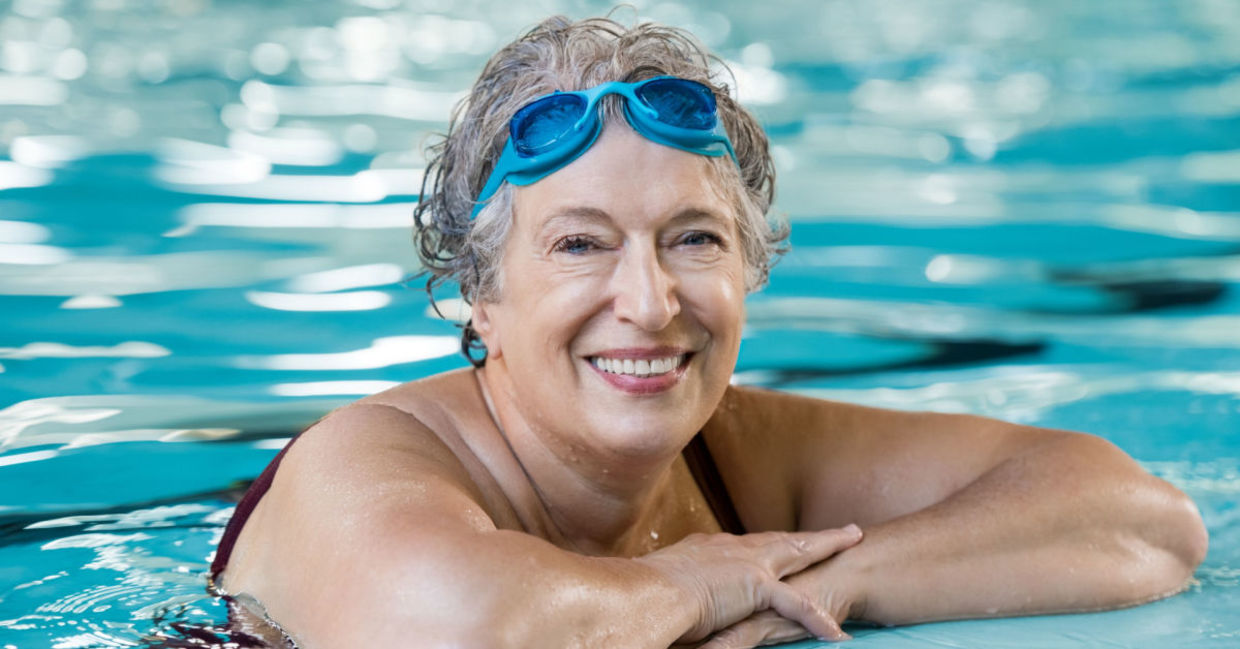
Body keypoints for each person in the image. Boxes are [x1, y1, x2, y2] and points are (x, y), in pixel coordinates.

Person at [208, 14, 1208, 649]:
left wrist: (828, 582)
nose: (649, 303)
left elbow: (1141, 523)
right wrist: (689, 581)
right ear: (481, 294)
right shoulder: (365, 461)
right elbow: (461, 631)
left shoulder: (734, 456)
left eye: (692, 239)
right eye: (580, 245)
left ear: (748, 267)